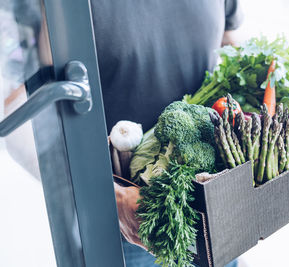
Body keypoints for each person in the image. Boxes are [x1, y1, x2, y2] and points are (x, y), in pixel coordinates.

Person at [91, 1, 243, 266]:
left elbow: (233, 45)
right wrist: (110, 197)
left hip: (216, 209)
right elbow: (32, 119)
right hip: (132, 224)